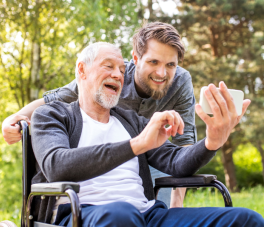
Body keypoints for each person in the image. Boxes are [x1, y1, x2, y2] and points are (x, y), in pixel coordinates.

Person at [30, 42, 263, 227]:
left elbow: (176, 162)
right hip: (82, 215)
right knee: (121, 214)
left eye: (122, 69)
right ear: (82, 70)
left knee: (246, 220)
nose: (118, 75)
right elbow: (57, 165)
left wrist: (211, 142)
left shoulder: (132, 121)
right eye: (108, 66)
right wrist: (136, 144)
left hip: (147, 216)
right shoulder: (51, 115)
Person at [2, 22, 196, 207]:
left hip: (154, 154)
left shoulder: (180, 81)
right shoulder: (112, 76)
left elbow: (184, 142)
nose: (162, 72)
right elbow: (54, 98)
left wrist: (177, 204)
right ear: (136, 59)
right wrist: (14, 117)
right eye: (153, 62)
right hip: (111, 155)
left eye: (170, 65)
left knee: (158, 209)